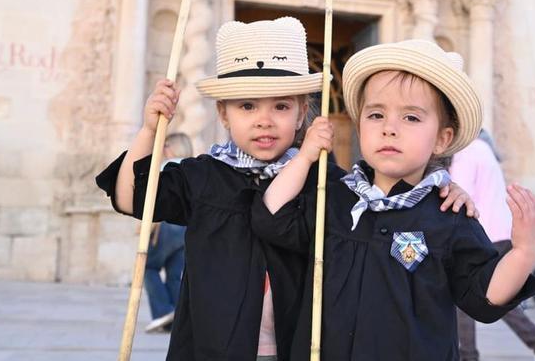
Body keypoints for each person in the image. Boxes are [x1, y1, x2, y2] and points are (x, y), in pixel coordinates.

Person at [96, 18, 476, 360]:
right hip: (210, 348)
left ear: (301, 113)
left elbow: (387, 204)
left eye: (280, 106)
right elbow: (131, 198)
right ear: (224, 115)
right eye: (247, 106)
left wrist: (444, 188)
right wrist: (148, 131)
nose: (264, 121)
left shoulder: (324, 181)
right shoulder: (204, 176)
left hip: (296, 346)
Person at [253, 40, 535, 360]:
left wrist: (524, 251)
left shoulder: (449, 215)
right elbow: (272, 217)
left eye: (411, 118)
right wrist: (306, 156)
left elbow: (485, 295)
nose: (389, 128)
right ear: (359, 123)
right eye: (376, 114)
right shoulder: (332, 197)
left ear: (442, 138)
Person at [452, 135, 535, 361]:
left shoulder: (466, 153)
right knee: (494, 296)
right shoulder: (483, 150)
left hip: (484, 234)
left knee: (471, 297)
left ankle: (469, 355)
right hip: (497, 232)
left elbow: (458, 197)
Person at [142, 133, 192, 333]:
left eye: (166, 144)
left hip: (167, 225)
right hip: (186, 228)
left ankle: (162, 310)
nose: (163, 148)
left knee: (148, 266)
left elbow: (156, 202)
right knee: (174, 273)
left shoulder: (166, 168)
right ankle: (175, 318)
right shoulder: (193, 168)